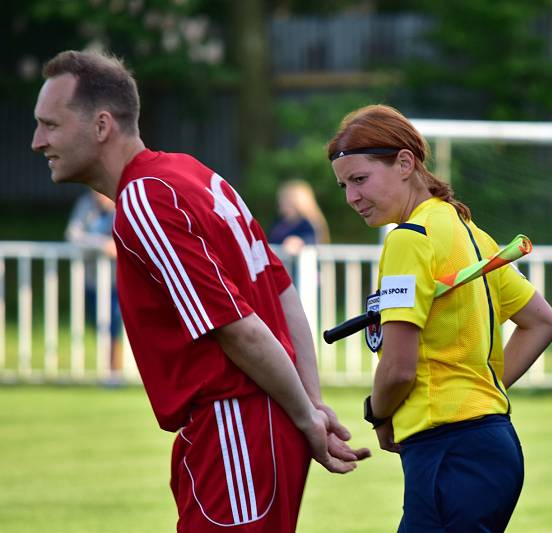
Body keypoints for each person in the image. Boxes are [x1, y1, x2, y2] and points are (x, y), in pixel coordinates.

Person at [32, 49, 369, 532]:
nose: (37, 141)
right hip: (259, 423)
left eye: (50, 124)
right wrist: (308, 405)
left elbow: (237, 328)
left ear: (102, 125)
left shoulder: (144, 199)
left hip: (235, 426)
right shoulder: (191, 173)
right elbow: (281, 289)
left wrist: (308, 415)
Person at [327, 104, 552, 532]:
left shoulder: (409, 240)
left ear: (404, 163)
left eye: (360, 179)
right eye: (344, 185)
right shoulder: (472, 232)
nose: (351, 198)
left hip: (448, 452)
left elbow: (398, 368)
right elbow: (542, 322)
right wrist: (479, 392)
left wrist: (378, 415)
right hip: (492, 446)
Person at [65, 189, 123, 378]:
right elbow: (73, 236)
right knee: (98, 324)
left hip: (117, 282)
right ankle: (108, 370)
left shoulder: (121, 206)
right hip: (92, 280)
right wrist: (101, 245)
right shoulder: (85, 205)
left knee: (114, 327)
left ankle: (115, 372)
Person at [268, 179, 330, 256]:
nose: (281, 203)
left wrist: (299, 242)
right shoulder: (278, 222)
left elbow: (312, 239)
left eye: (286, 200)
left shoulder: (307, 223)